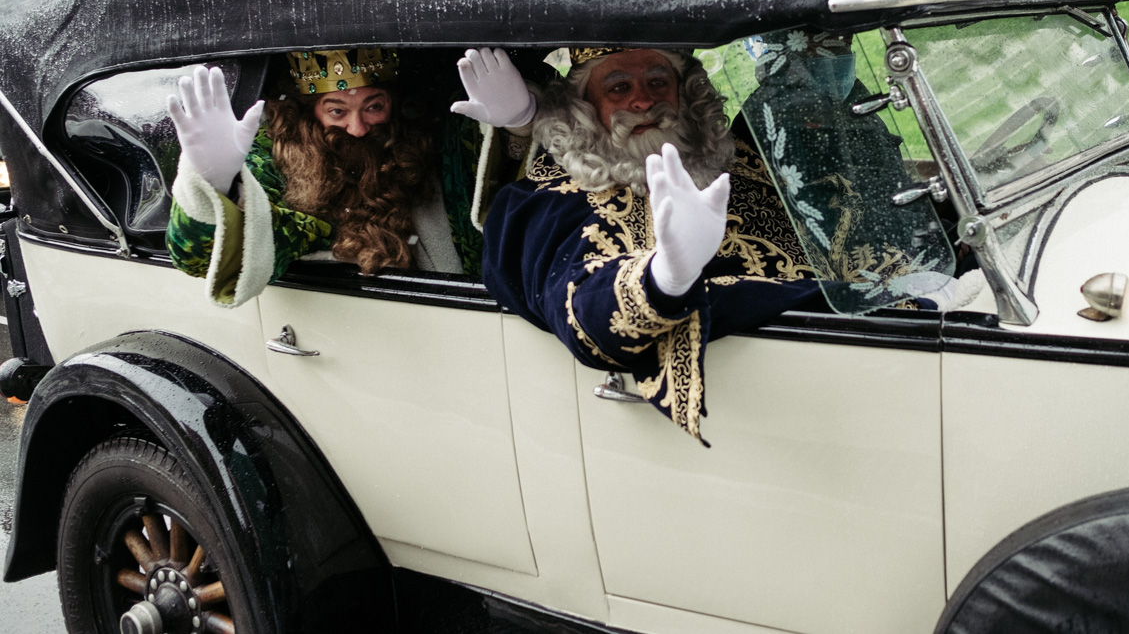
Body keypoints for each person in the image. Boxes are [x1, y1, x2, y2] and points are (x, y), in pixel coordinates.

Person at [458, 45, 834, 445]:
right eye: (619, 87)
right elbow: (578, 307)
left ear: (685, 91)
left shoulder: (738, 163)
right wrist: (666, 277)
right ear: (584, 105)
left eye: (658, 82)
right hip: (723, 422)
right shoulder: (549, 199)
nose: (643, 100)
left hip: (836, 365)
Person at [166, 48, 467, 308]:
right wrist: (217, 186)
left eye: (374, 107)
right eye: (337, 111)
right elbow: (202, 260)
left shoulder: (417, 143)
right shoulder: (272, 156)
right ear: (308, 113)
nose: (358, 128)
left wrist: (515, 127)